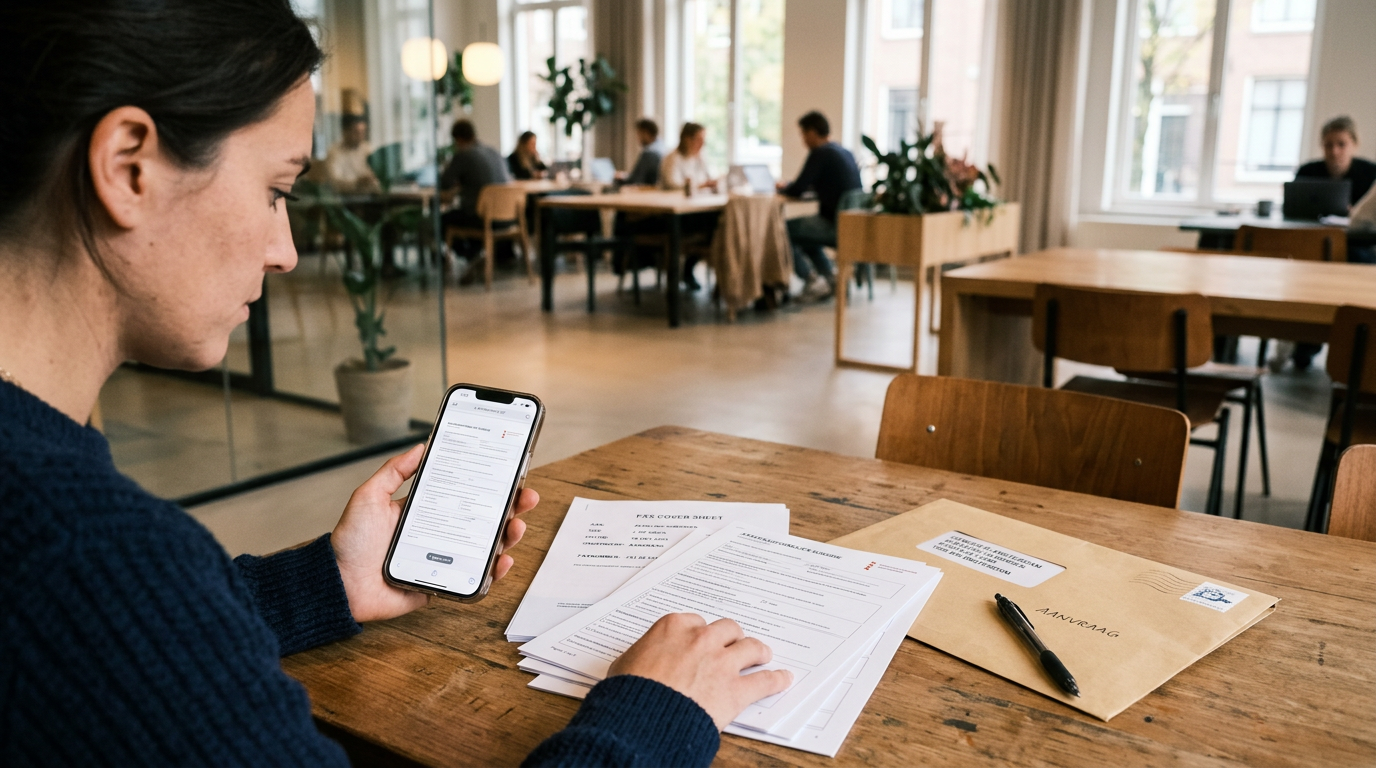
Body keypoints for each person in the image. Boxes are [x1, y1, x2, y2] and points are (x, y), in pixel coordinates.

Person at [0, 3, 791, 767]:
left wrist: (327, 582)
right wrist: (651, 714)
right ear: (128, 165)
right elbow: (113, 609)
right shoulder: (84, 553)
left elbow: (143, 644)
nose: (286, 251)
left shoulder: (73, 529)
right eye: (277, 190)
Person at [1287, 116, 1376, 369]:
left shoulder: (1370, 174)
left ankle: (1355, 342)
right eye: (1328, 145)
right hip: (1312, 246)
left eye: (1341, 144)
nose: (1334, 151)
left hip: (1355, 249)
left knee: (1359, 264)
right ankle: (1306, 341)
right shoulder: (1308, 172)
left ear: (1354, 145)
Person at [777, 111, 863, 302]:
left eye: (803, 134)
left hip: (834, 224)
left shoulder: (820, 153)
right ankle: (830, 278)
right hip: (851, 225)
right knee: (805, 236)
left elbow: (798, 189)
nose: (803, 140)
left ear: (812, 133)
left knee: (781, 230)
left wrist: (781, 188)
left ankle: (811, 279)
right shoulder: (843, 151)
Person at [441, 119, 512, 277]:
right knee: (466, 213)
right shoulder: (493, 151)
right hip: (508, 218)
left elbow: (444, 182)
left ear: (458, 139)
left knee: (442, 220)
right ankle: (479, 253)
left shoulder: (464, 154)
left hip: (484, 218)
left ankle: (471, 256)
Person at [320, 114, 380, 192]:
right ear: (345, 132)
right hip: (346, 199)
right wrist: (358, 182)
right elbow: (334, 182)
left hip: (371, 196)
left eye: (363, 132)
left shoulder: (368, 149)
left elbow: (377, 176)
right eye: (356, 132)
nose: (361, 136)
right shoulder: (334, 152)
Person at [660, 122, 719, 193]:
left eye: (703, 140)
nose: (702, 144)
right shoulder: (672, 158)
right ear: (687, 139)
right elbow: (672, 184)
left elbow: (708, 178)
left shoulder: (699, 157)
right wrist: (699, 186)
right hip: (675, 200)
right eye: (698, 140)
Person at [620, 117, 665, 187]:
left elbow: (634, 181)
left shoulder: (649, 154)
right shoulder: (663, 147)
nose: (637, 137)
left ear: (646, 133)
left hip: (647, 193)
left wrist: (617, 180)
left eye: (638, 133)